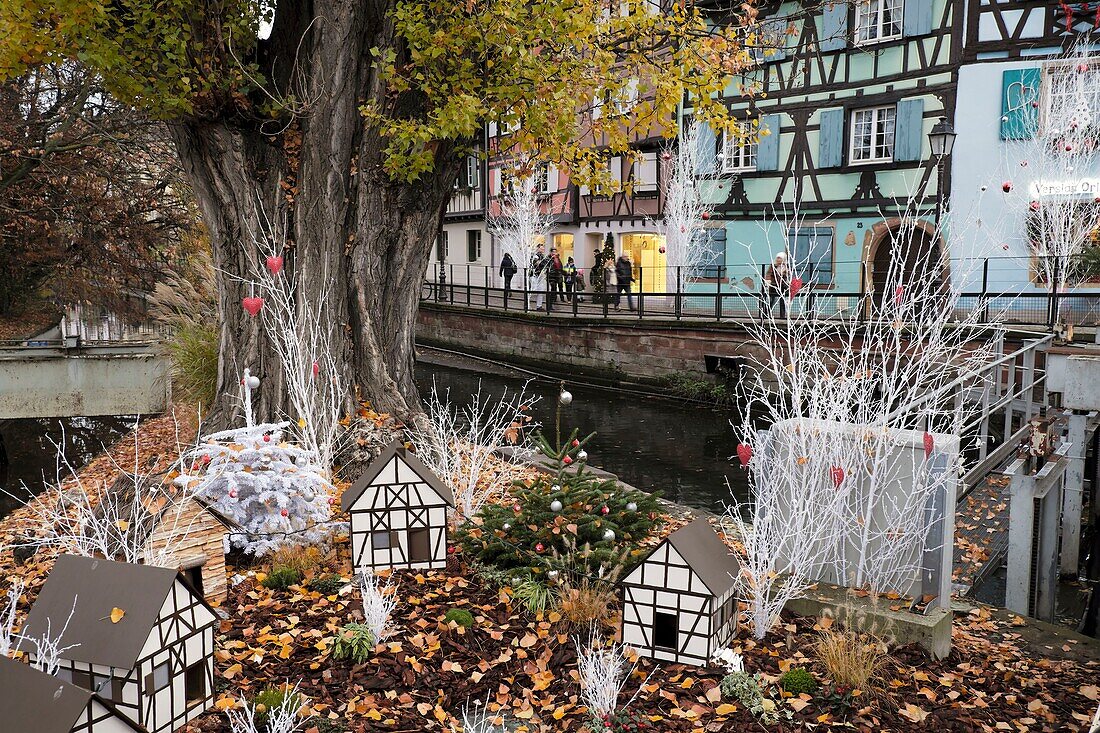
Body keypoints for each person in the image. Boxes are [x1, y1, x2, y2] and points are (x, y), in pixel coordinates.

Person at [763, 252, 790, 319]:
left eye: (780, 258)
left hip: (782, 286)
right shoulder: (773, 266)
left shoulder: (786, 267)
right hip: (773, 286)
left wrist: (787, 280)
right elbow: (768, 274)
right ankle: (766, 314)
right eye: (777, 258)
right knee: (771, 301)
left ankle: (782, 316)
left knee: (782, 301)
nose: (778, 260)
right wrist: (768, 281)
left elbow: (789, 275)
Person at [530, 244, 548, 310]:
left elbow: (544, 264)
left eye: (543, 249)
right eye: (541, 248)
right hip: (535, 275)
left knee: (541, 291)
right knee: (533, 290)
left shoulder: (542, 256)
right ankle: (527, 305)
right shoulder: (535, 255)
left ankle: (539, 306)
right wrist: (540, 262)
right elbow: (535, 263)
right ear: (538, 248)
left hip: (541, 275)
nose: (543, 250)